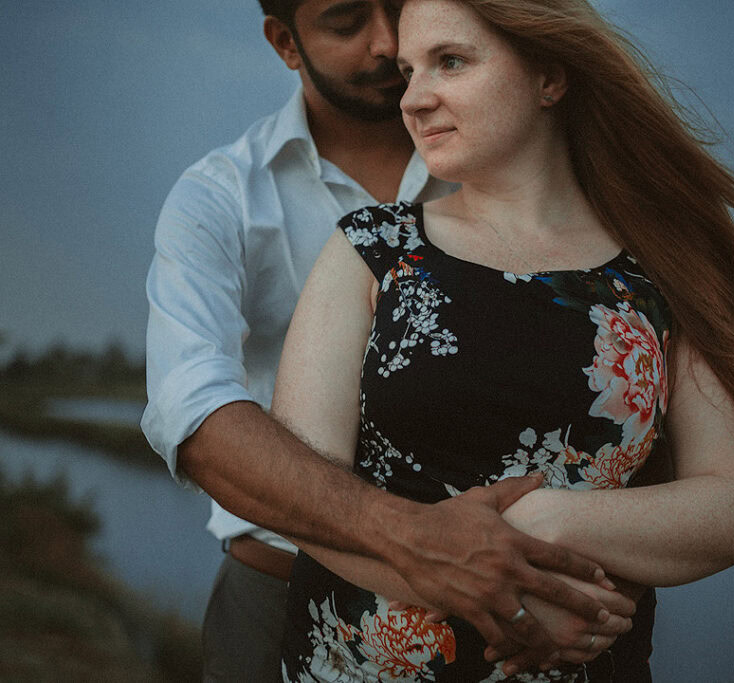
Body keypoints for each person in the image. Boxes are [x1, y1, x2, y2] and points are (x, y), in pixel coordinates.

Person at [272, 0, 734, 680]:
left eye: (450, 62)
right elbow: (301, 496)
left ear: (549, 77)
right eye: (409, 71)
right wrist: (505, 595)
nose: (414, 99)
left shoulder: (664, 268)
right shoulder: (374, 248)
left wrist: (542, 525)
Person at [142, 1, 627, 680]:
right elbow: (191, 412)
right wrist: (414, 539)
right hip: (279, 595)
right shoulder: (222, 197)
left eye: (396, 6)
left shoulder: (504, 150)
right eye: (344, 20)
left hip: (528, 604)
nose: (386, 41)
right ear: (286, 41)